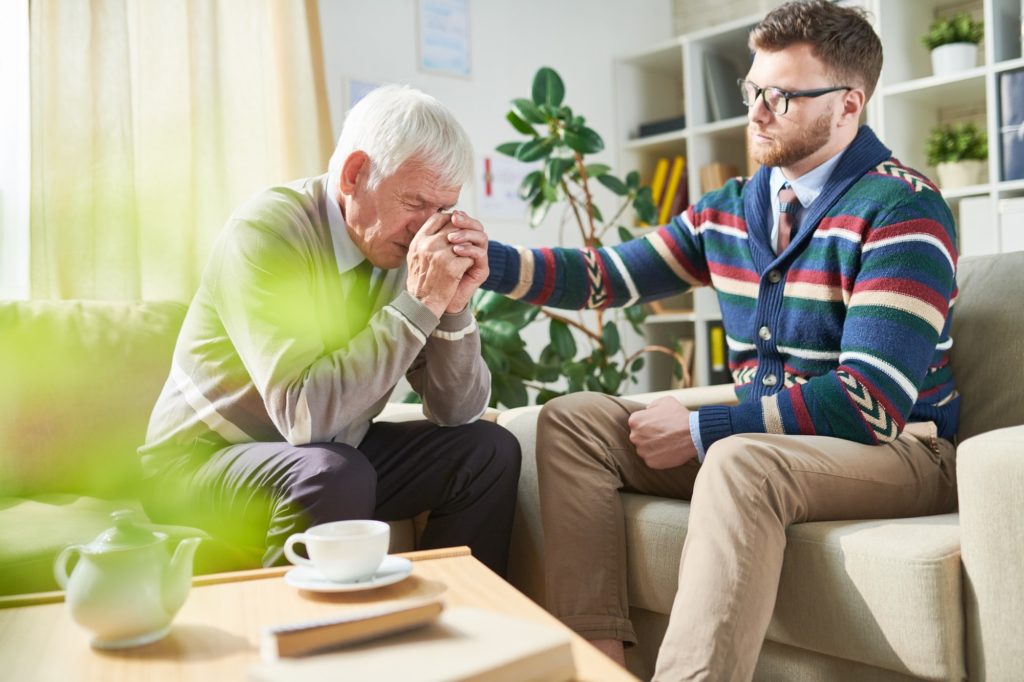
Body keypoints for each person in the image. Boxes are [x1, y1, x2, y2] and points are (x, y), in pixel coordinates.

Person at [476, 1, 958, 678]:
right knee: (573, 422)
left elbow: (871, 404)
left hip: (902, 452)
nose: (757, 113)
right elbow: (604, 278)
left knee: (737, 459)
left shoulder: (902, 208)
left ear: (849, 106)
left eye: (782, 97)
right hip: (776, 441)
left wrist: (708, 429)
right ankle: (599, 666)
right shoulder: (731, 208)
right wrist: (482, 260)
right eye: (753, 91)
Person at [140, 84, 521, 577]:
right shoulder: (266, 232)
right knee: (334, 473)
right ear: (354, 174)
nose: (426, 231)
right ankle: (304, 635)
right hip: (200, 463)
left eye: (442, 210)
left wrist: (454, 307)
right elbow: (305, 419)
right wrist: (419, 303)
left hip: (332, 452)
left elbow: (457, 411)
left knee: (486, 451)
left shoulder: (403, 253)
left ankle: (458, 617)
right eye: (414, 203)